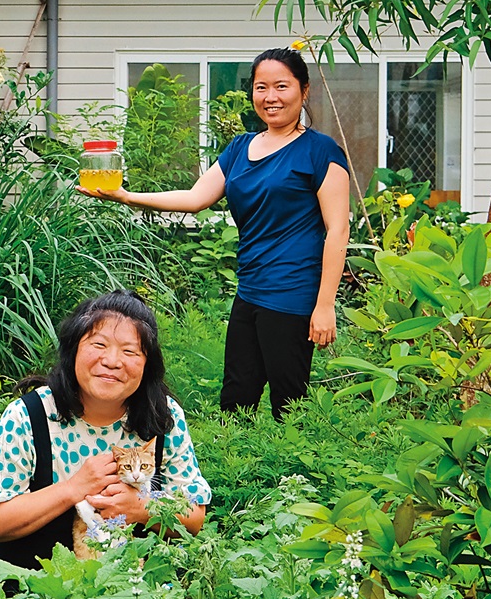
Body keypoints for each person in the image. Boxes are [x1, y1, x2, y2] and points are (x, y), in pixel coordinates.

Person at [79, 47, 349, 419]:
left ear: (304, 91)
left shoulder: (321, 151)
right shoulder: (239, 148)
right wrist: (125, 196)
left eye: (281, 86)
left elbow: (337, 230)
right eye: (261, 87)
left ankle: (295, 472)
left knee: (290, 402)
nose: (270, 97)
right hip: (250, 289)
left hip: (293, 293)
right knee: (236, 396)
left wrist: (324, 305)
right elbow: (194, 198)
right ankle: (237, 469)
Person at [0, 292, 211, 568]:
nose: (112, 361)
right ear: (74, 350)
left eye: (129, 351)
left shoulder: (163, 417)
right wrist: (73, 489)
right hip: (37, 598)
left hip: (135, 597)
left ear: (147, 364)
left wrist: (139, 507)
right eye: (99, 344)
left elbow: (194, 518)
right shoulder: (29, 417)